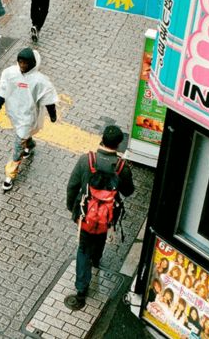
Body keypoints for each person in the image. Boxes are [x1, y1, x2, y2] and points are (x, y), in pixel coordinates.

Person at [64, 125, 134, 310]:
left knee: (83, 249)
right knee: (100, 237)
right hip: (107, 218)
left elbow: (72, 186)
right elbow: (128, 191)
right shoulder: (121, 167)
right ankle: (97, 259)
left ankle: (81, 290)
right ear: (119, 145)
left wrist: (72, 209)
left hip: (85, 215)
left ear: (102, 139)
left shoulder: (86, 160)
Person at [0, 47, 58, 191]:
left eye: (25, 63)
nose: (22, 66)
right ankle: (29, 145)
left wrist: (53, 115)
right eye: (20, 62)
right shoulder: (9, 74)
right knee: (22, 137)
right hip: (14, 113)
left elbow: (49, 100)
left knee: (17, 145)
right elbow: (2, 92)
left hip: (28, 117)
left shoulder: (40, 81)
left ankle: (10, 175)